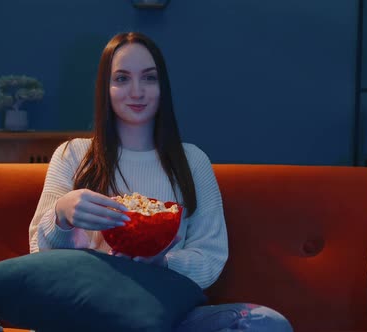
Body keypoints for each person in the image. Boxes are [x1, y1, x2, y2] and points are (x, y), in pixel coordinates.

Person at [29, 31, 292, 331]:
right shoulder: (73, 155)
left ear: (162, 86)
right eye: (122, 79)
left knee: (268, 324)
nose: (137, 91)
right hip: (90, 313)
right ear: (105, 87)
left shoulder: (193, 161)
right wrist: (61, 215)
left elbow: (210, 255)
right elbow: (40, 253)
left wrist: (164, 262)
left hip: (170, 315)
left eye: (149, 78)